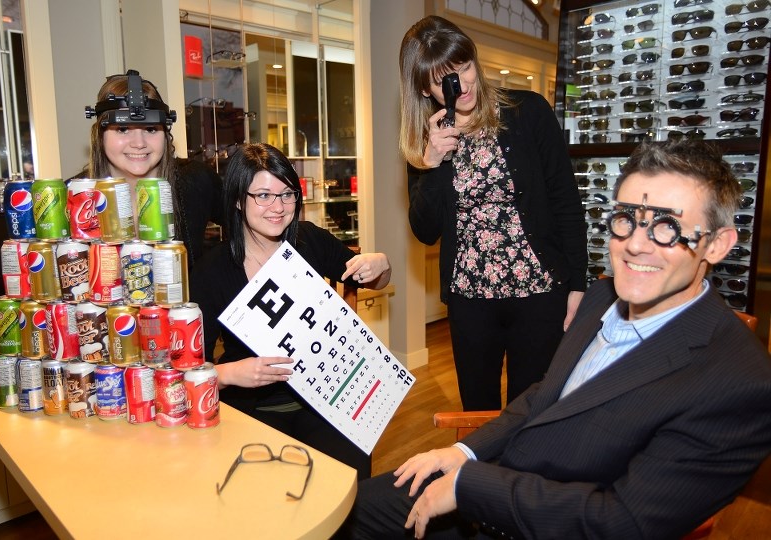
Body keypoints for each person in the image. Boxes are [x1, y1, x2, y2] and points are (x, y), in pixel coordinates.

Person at [339, 139, 771, 539]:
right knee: (342, 513)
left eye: (667, 229)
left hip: (544, 522)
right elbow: (543, 396)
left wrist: (474, 486)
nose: (636, 245)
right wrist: (466, 454)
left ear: (717, 244)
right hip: (495, 478)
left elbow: (622, 523)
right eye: (626, 220)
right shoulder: (601, 297)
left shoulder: (741, 383)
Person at [401, 16, 587, 410]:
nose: (462, 84)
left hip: (539, 290)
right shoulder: (426, 142)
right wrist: (432, 162)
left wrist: (577, 284)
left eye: (464, 66)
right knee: (478, 411)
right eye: (443, 80)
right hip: (471, 300)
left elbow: (565, 201)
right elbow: (424, 231)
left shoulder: (528, 111)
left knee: (532, 410)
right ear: (424, 88)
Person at [190, 142, 391, 481]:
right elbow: (191, 368)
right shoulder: (213, 270)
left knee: (349, 485)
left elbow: (375, 280)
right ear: (239, 200)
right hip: (254, 409)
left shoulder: (308, 242)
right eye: (263, 196)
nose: (278, 207)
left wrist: (381, 265)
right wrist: (231, 374)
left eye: (287, 195)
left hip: (328, 403)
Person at [77, 69, 223, 266]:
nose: (139, 143)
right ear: (100, 136)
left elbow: (247, 234)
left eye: (151, 129)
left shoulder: (197, 180)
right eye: (122, 129)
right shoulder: (76, 198)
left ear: (165, 132)